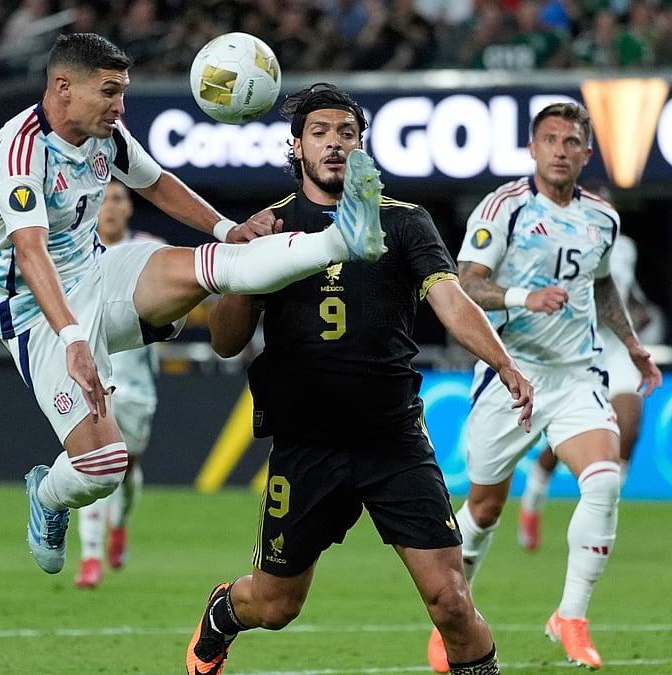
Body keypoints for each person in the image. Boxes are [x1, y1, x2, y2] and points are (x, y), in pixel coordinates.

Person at [0, 34, 388, 577]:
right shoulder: (21, 147)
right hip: (32, 308)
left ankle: (342, 239)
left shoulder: (106, 134)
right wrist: (75, 340)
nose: (120, 106)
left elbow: (158, 183)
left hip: (98, 273)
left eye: (122, 92)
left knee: (208, 263)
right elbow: (29, 253)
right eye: (110, 92)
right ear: (63, 87)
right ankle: (47, 497)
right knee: (104, 467)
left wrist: (229, 228)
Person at [185, 83, 535, 675]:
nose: (335, 144)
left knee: (451, 601)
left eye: (347, 134)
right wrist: (248, 268)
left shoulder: (403, 223)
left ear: (363, 147)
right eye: (320, 133)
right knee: (274, 607)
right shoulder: (268, 229)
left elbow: (450, 302)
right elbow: (225, 342)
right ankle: (223, 615)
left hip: (392, 440)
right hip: (307, 446)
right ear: (295, 147)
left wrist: (503, 362)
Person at [425, 102, 663, 672]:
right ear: (533, 149)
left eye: (571, 141)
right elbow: (466, 284)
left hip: (577, 373)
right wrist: (522, 298)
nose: (560, 149)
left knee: (604, 480)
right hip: (511, 373)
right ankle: (456, 617)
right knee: (482, 509)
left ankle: (571, 616)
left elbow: (603, 286)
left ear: (585, 152)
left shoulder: (602, 218)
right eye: (550, 139)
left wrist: (630, 344)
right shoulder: (503, 208)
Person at [517, 231, 653, 552]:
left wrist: (637, 313)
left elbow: (626, 292)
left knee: (628, 427)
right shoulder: (556, 241)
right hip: (578, 350)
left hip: (617, 348)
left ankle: (602, 515)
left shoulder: (624, 246)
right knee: (572, 434)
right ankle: (533, 499)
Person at [72, 180, 160, 589]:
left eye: (119, 198)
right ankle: (90, 558)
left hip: (137, 383)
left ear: (129, 207)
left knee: (127, 470)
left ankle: (119, 524)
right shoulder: (73, 252)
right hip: (89, 378)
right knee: (91, 466)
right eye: (103, 199)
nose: (109, 207)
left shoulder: (149, 250)